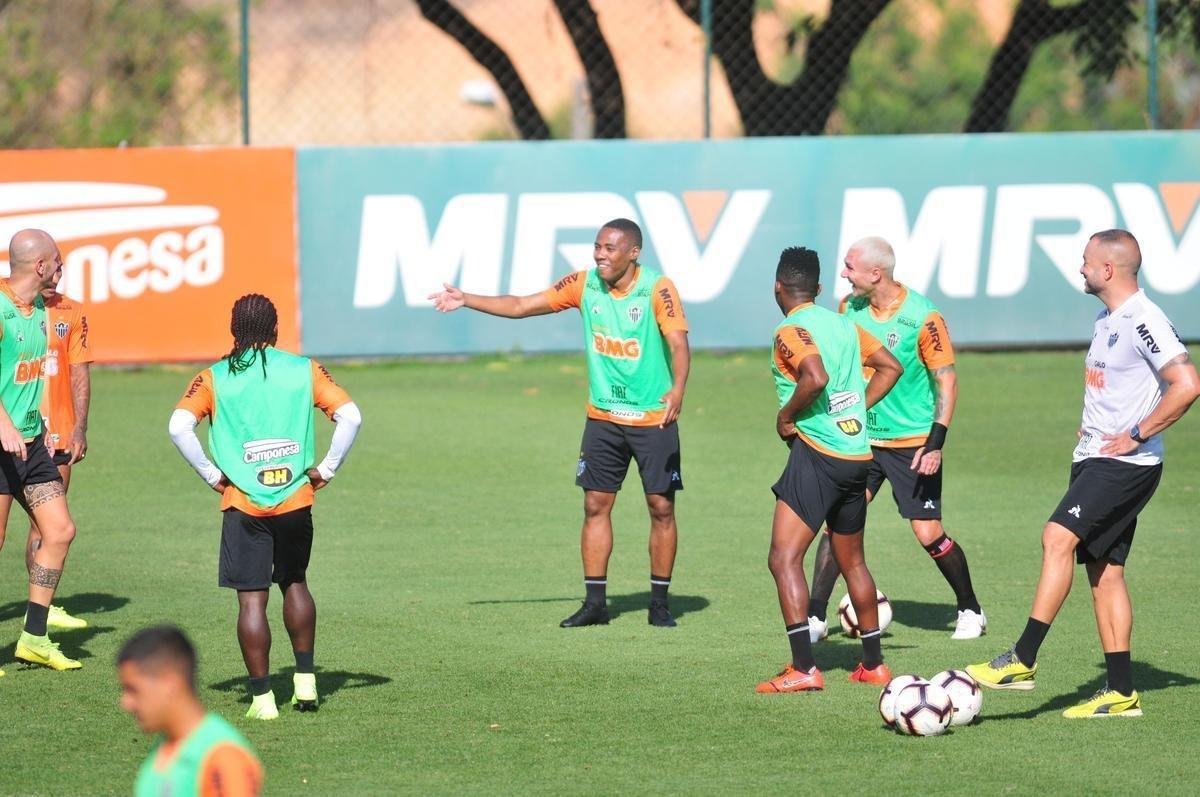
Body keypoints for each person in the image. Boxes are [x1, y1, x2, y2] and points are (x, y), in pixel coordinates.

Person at [967, 229, 1200, 718]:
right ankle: (1121, 692)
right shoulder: (1106, 319)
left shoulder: (1144, 319)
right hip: (1095, 457)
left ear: (1108, 269)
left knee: (1056, 537)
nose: (1081, 268)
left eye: (1087, 262)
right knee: (1106, 573)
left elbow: (1187, 383)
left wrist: (1137, 432)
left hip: (1125, 465)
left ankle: (1023, 658)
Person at [429, 218, 690, 628]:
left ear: (633, 252)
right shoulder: (584, 284)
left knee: (661, 508)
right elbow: (521, 306)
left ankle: (659, 604)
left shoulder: (658, 288)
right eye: (597, 246)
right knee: (595, 505)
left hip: (653, 418)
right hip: (603, 416)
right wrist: (467, 299)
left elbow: (678, 342)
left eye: (609, 248)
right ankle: (595, 604)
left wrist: (677, 389)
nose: (599, 255)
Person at [168, 294, 362, 719]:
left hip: (243, 502)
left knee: (252, 601)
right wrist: (327, 468)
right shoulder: (304, 369)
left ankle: (262, 701)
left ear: (233, 330)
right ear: (275, 330)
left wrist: (212, 476)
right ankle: (306, 683)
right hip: (295, 498)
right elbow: (351, 416)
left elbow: (179, 426)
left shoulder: (214, 377)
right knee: (295, 583)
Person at [805, 237, 986, 642]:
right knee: (837, 525)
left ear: (876, 273)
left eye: (850, 267)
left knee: (928, 532)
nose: (843, 274)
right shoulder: (848, 308)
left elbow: (946, 380)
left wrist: (935, 442)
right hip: (862, 440)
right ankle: (815, 616)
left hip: (912, 444)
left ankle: (970, 609)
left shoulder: (923, 317)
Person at [757, 246, 903, 693]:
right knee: (852, 560)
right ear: (819, 288)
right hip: (857, 455)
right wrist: (855, 407)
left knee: (783, 558)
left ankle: (803, 668)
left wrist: (786, 417)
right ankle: (873, 665)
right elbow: (890, 366)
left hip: (818, 455)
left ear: (777, 287)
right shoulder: (843, 324)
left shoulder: (790, 329)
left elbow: (814, 376)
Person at [0, 229, 83, 673]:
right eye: (57, 260)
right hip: (1, 445)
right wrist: (3, 423)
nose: (61, 267)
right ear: (40, 265)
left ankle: (34, 637)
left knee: (60, 531)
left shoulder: (37, 313)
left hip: (32, 446)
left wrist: (40, 424)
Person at [118, 625, 263, 796]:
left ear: (169, 685)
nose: (126, 703)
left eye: (133, 690)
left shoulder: (222, 757)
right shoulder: (165, 745)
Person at [24, 286, 93, 632]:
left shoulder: (72, 311)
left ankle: (41, 610)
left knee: (47, 527)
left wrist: (79, 427)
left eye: (60, 268)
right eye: (52, 266)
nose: (56, 275)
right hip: (16, 431)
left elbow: (79, 372)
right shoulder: (12, 306)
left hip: (59, 434)